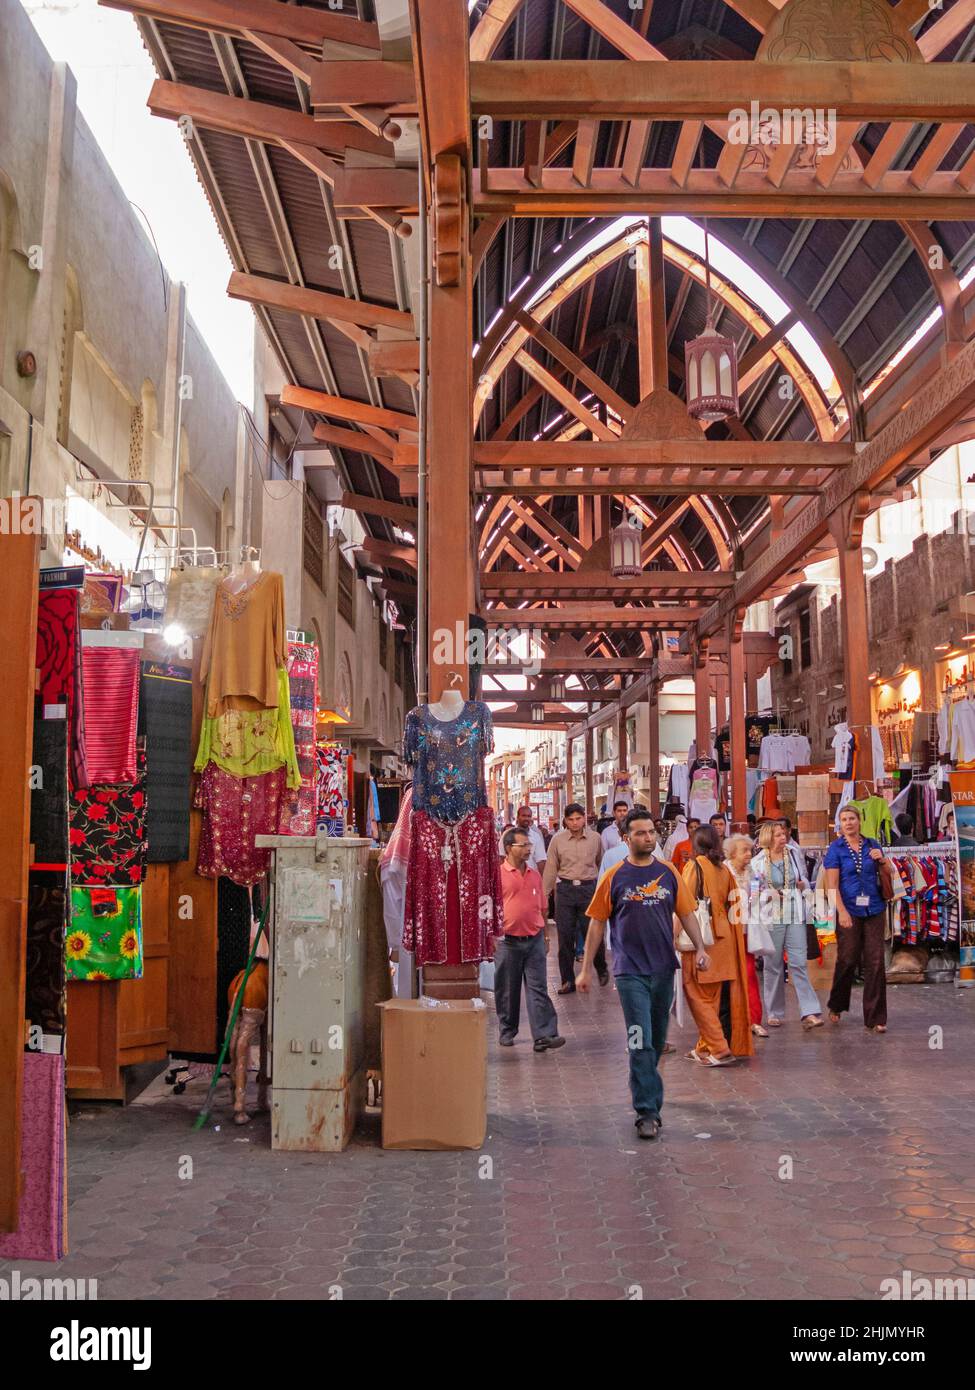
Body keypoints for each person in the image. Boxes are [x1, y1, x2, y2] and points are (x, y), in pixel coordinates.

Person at [579, 809, 711, 1141]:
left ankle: (650, 1097)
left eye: (651, 832)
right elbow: (596, 922)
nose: (648, 838)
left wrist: (701, 948)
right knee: (639, 1042)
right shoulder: (614, 877)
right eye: (640, 833)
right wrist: (585, 970)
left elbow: (686, 912)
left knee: (653, 1042)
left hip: (664, 969)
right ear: (626, 839)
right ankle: (647, 1111)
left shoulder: (668, 873)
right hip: (630, 972)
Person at [681, 825, 755, 1065]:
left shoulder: (694, 866)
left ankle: (719, 1048)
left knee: (697, 995)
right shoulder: (724, 869)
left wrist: (672, 936)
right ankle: (703, 1048)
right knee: (713, 997)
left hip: (702, 938)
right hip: (726, 939)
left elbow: (684, 905)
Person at [495, 829, 566, 1053]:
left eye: (529, 845)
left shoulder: (535, 874)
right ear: (509, 848)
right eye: (523, 845)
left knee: (538, 987)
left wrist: (545, 935)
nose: (528, 849)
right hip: (507, 941)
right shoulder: (498, 875)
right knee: (508, 988)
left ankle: (544, 1035)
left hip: (534, 938)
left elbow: (543, 907)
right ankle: (507, 1030)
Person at [750, 822, 824, 1030]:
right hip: (771, 917)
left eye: (783, 834)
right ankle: (775, 1012)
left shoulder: (793, 853)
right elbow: (754, 893)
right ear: (768, 838)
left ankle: (809, 1011)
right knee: (773, 966)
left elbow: (804, 879)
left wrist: (803, 885)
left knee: (799, 963)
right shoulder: (756, 862)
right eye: (778, 835)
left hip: (794, 914)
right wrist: (768, 894)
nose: (783, 838)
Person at [823, 805, 890, 1033]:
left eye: (852, 818)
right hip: (849, 909)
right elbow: (832, 886)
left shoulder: (872, 844)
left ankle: (875, 1018)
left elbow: (889, 872)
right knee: (848, 959)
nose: (849, 823)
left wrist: (881, 859)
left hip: (874, 909)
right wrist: (841, 911)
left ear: (859, 821)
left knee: (875, 961)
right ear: (839, 824)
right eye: (844, 819)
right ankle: (837, 1003)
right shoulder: (836, 849)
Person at [543, 803, 607, 994]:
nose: (575, 822)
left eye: (578, 818)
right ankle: (567, 981)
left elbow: (600, 862)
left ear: (584, 818)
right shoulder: (557, 840)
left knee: (593, 933)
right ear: (565, 820)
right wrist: (544, 895)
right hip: (565, 891)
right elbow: (551, 867)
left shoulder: (595, 839)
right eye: (570, 819)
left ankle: (601, 968)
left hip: (589, 890)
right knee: (565, 937)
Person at [723, 833, 767, 1038]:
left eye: (750, 850)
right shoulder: (724, 871)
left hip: (748, 931)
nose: (749, 854)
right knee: (729, 977)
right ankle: (731, 1020)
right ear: (732, 853)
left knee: (749, 974)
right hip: (728, 933)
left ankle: (753, 1020)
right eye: (745, 851)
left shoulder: (754, 872)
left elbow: (762, 898)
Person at [498, 803, 547, 873]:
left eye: (529, 816)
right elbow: (501, 856)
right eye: (523, 816)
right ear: (517, 817)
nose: (526, 818)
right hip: (510, 876)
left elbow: (541, 861)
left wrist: (541, 881)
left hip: (530, 876)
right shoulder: (507, 834)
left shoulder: (536, 837)